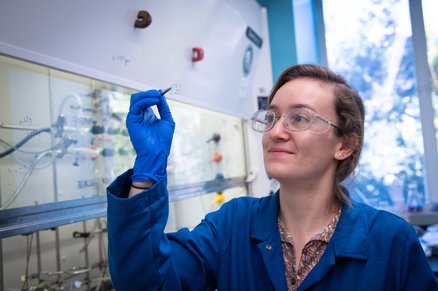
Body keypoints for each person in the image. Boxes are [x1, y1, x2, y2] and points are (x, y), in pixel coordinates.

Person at [106, 64, 438, 290]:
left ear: (344, 144)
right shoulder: (231, 224)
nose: (275, 132)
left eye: (300, 118)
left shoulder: (392, 240)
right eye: (272, 117)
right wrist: (146, 175)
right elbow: (146, 283)